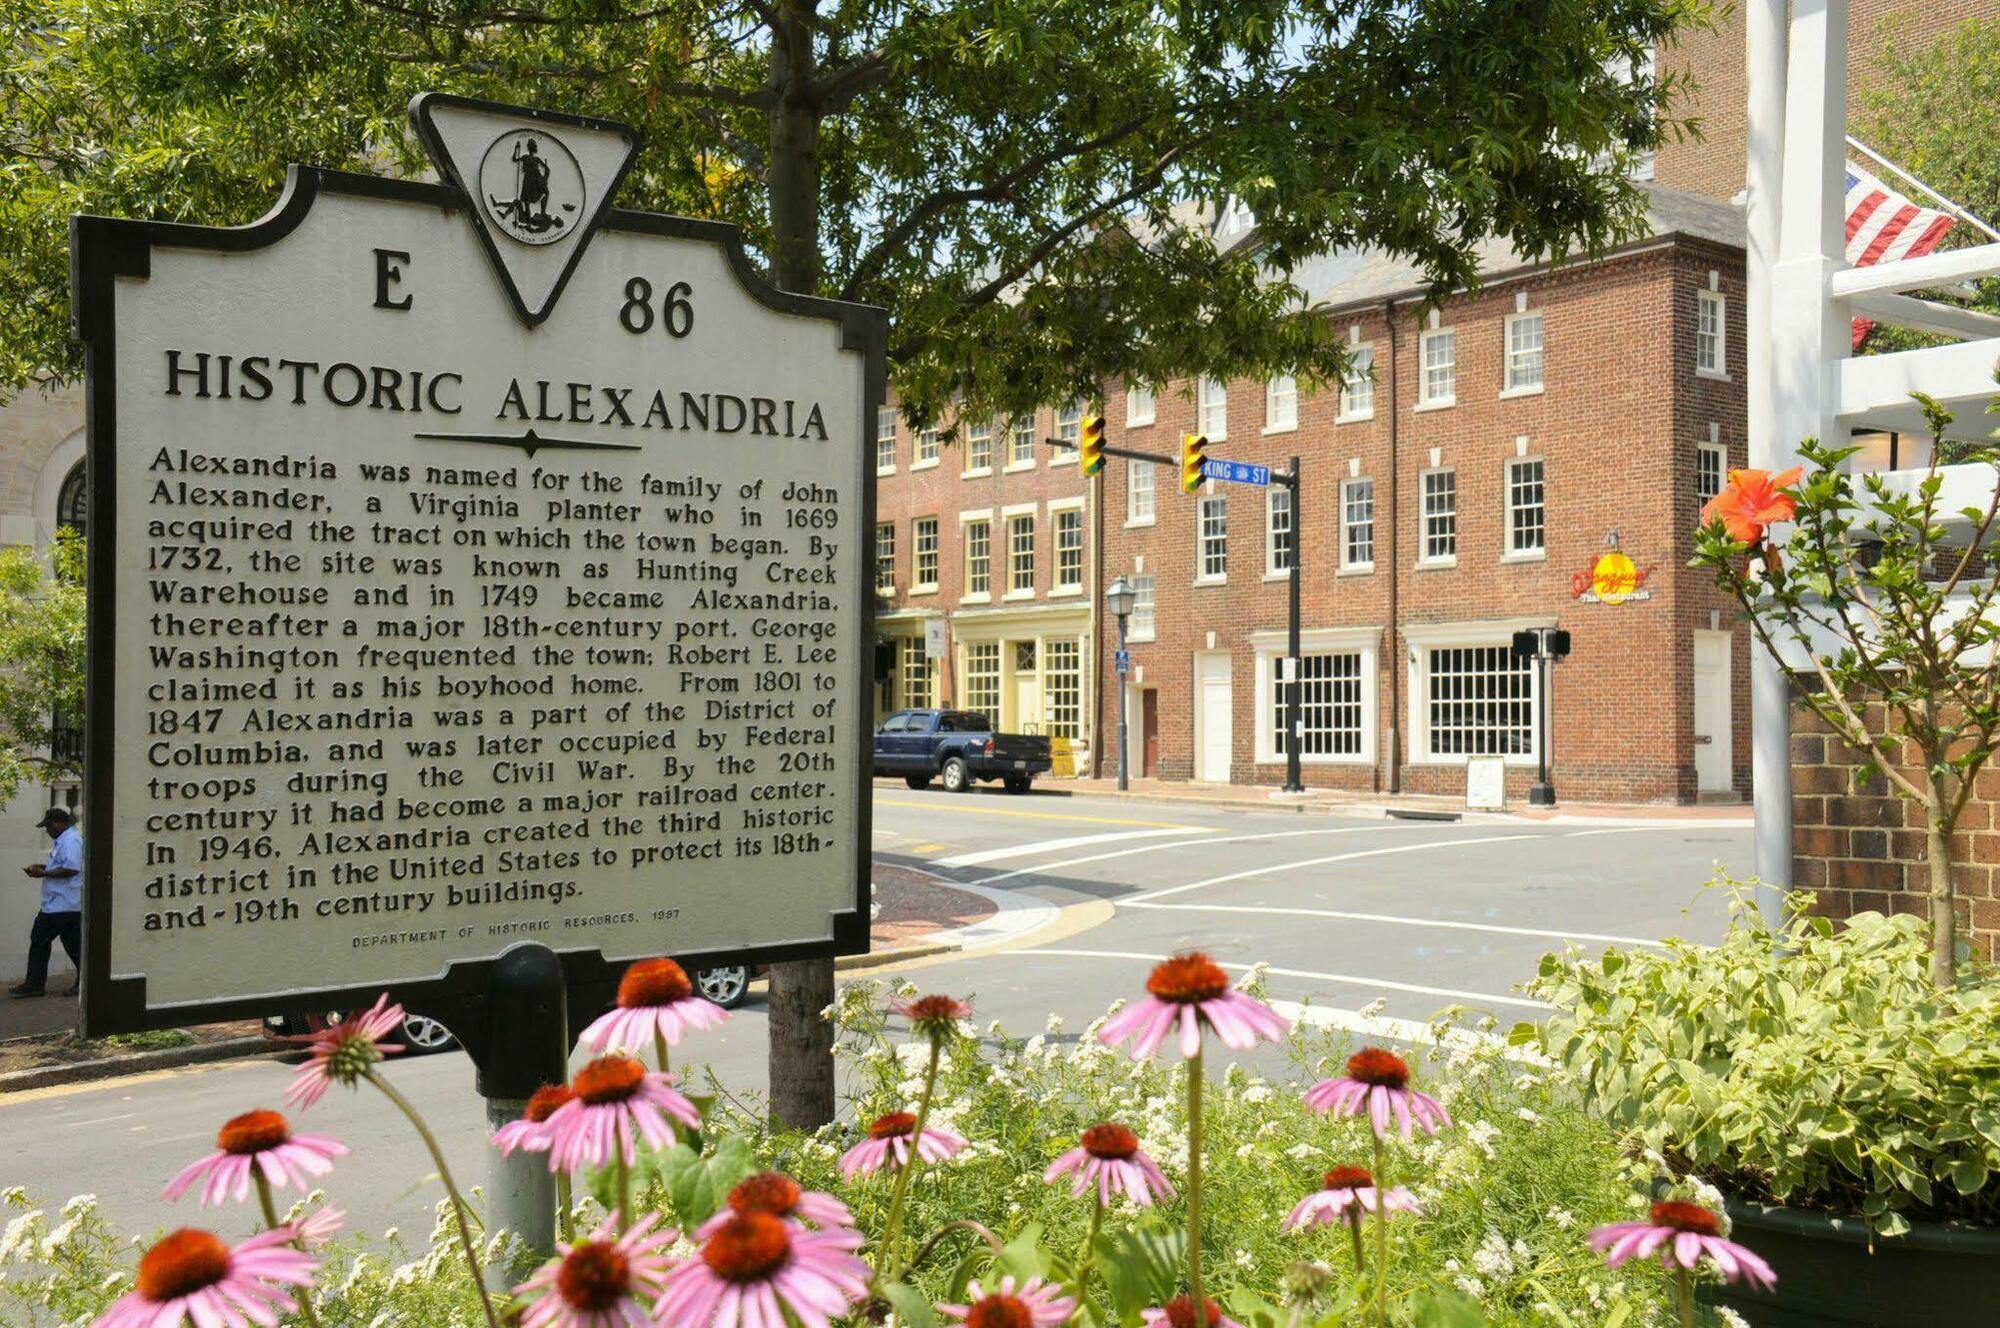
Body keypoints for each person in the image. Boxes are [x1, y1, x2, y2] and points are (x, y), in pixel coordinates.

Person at [14, 806, 80, 997]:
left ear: (60, 823)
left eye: (49, 826)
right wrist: (42, 867)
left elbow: (72, 869)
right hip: (61, 904)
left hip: (64, 904)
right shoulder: (64, 841)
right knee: (72, 944)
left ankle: (34, 984)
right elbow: (62, 865)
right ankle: (82, 982)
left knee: (40, 938)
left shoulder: (71, 840)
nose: (47, 830)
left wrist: (43, 873)